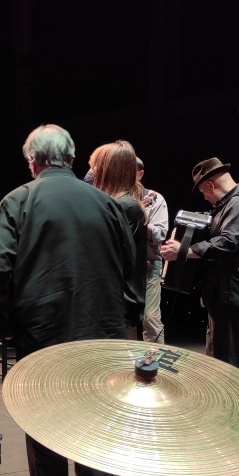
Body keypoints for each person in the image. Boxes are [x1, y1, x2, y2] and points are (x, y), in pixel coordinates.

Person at [0, 124, 140, 476]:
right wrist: (122, 316)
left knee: (44, 419)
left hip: (43, 330)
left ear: (32, 161)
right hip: (101, 329)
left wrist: (3, 325)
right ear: (71, 158)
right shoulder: (107, 203)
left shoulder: (18, 200)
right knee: (94, 412)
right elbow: (131, 267)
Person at [159, 157, 239, 370]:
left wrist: (184, 251)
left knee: (228, 362)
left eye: (203, 192)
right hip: (222, 293)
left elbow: (228, 242)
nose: (205, 198)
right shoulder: (230, 204)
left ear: (210, 185)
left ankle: (233, 393)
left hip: (231, 293)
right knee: (218, 355)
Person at [89, 140, 147, 340]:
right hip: (112, 308)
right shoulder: (117, 204)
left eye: (95, 166)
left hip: (116, 311)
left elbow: (108, 261)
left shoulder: (124, 207)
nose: (91, 172)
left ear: (108, 170)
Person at [136, 157, 169, 343]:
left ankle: (154, 359)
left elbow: (160, 234)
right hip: (123, 267)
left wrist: (137, 217)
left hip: (149, 266)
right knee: (124, 319)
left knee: (150, 318)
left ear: (140, 174)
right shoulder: (115, 196)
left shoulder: (155, 199)